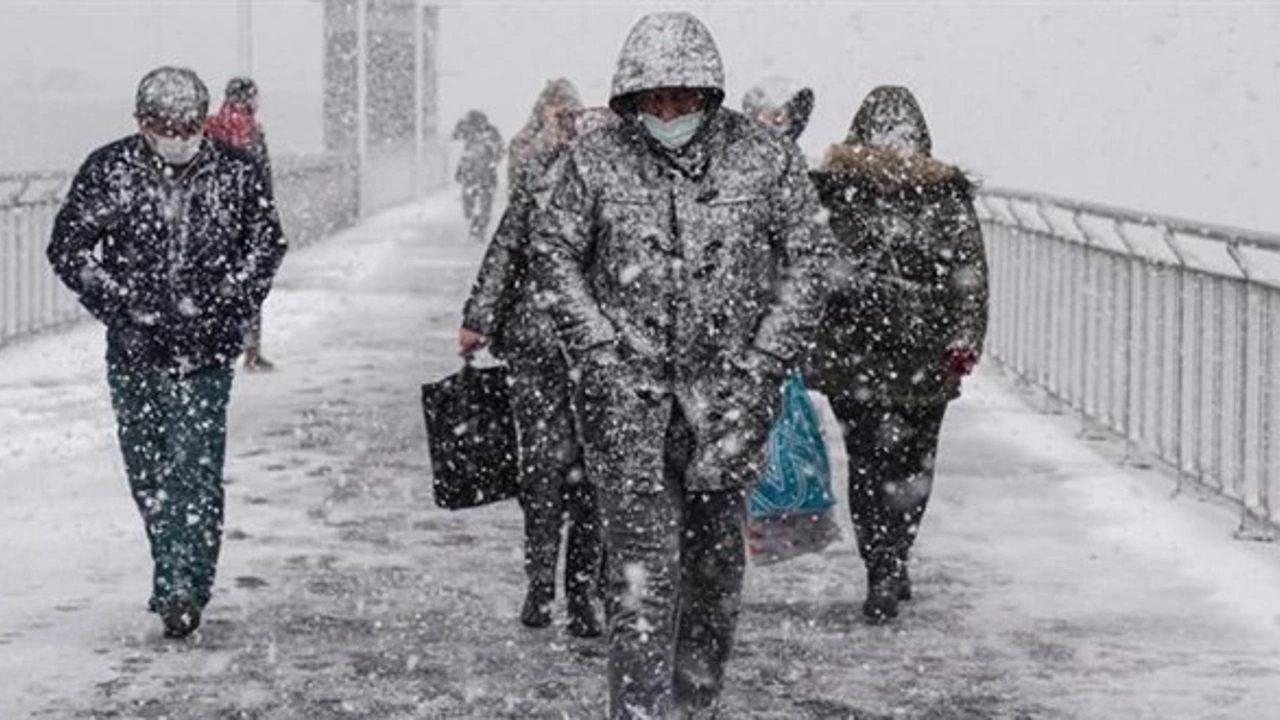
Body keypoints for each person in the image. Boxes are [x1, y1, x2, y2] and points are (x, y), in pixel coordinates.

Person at [530, 13, 832, 718]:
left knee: (713, 577)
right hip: (625, 408)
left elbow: (811, 262)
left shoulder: (763, 160)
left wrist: (763, 363)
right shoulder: (596, 162)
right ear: (632, 100)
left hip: (728, 406)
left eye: (683, 98)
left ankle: (695, 704)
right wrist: (599, 349)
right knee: (641, 581)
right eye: (654, 100)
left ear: (710, 94)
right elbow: (552, 253)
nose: (668, 113)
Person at [47, 67, 286, 639]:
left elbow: (265, 245)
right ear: (140, 123)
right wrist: (122, 305)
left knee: (194, 470)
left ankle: (183, 587)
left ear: (202, 121)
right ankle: (174, 564)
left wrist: (226, 303)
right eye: (162, 125)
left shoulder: (236, 173)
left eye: (185, 125)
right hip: (135, 349)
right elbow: (69, 247)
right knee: (148, 470)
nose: (175, 135)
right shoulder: (110, 171)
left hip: (205, 352)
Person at [808, 86, 989, 623]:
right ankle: (892, 554)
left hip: (857, 355)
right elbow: (970, 276)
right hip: (921, 356)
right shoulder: (942, 194)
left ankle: (881, 561)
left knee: (869, 463)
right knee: (912, 464)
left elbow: (813, 265)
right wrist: (963, 339)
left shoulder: (835, 190)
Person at [457, 104, 616, 640]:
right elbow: (505, 253)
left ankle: (574, 590)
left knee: (582, 475)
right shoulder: (544, 187)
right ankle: (549, 586)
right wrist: (477, 319)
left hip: (591, 356)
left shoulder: (616, 198)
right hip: (547, 350)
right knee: (551, 472)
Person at [205, 76, 277, 371]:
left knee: (216, 286)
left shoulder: (210, 126)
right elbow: (261, 176)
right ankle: (251, 351)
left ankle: (216, 350)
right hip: (246, 217)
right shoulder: (252, 130)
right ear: (249, 98)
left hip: (215, 218)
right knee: (250, 286)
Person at [507, 79, 582, 192]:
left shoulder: (585, 141)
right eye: (559, 115)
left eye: (571, 114)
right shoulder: (524, 142)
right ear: (543, 110)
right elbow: (517, 190)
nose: (565, 120)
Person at [451, 110, 503, 240]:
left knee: (484, 205)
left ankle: (480, 228)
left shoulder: (491, 132)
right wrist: (460, 124)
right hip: (471, 174)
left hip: (485, 175)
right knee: (469, 205)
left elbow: (501, 150)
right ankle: (476, 223)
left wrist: (493, 159)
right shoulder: (468, 130)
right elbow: (455, 136)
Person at [741, 76, 815, 143]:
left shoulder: (786, 144)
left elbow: (805, 98)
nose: (779, 118)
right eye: (777, 114)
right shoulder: (745, 141)